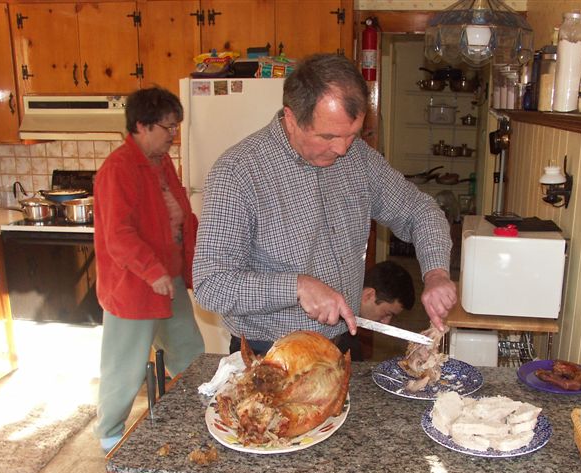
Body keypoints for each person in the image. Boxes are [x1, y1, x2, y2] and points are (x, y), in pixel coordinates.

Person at [192, 53, 457, 356]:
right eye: (328, 136)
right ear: (291, 119)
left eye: (352, 134)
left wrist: (436, 274)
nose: (342, 149)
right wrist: (297, 287)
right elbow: (211, 284)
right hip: (270, 353)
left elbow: (420, 211)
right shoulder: (239, 172)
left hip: (342, 341)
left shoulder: (359, 158)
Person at [93, 87, 204, 453]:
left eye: (175, 127)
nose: (173, 135)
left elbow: (178, 217)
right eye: (167, 127)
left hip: (168, 279)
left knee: (190, 355)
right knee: (123, 367)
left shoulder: (162, 162)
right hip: (135, 286)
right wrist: (152, 271)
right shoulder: (119, 169)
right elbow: (118, 235)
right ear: (142, 126)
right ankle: (109, 436)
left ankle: (201, 418)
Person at [336, 260, 416, 360]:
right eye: (387, 313)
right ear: (368, 295)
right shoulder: (333, 332)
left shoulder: (352, 346)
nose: (386, 322)